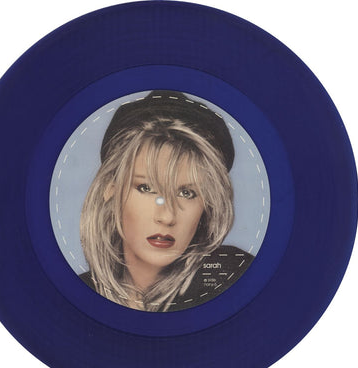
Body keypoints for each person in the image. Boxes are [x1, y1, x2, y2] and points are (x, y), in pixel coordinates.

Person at [79, 90, 254, 312]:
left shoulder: (233, 277)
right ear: (110, 190)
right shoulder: (79, 293)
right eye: (146, 188)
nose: (167, 216)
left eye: (187, 193)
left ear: (207, 205)